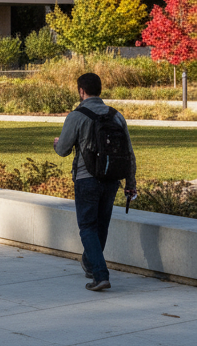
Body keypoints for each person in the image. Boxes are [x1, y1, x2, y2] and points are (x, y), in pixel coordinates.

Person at [53, 72, 137, 292]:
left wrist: (56, 143)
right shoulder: (116, 116)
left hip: (86, 178)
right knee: (101, 226)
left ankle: (100, 275)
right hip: (111, 179)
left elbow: (63, 150)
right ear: (100, 89)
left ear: (81, 91)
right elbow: (129, 152)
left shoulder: (77, 116)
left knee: (87, 227)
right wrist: (131, 182)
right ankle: (90, 264)